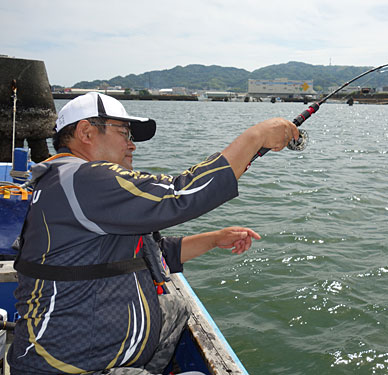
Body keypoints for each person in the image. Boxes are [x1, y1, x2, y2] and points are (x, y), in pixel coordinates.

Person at [8, 92, 298, 375]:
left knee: (175, 306)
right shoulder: (85, 180)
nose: (132, 145)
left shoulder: (70, 183)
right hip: (66, 366)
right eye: (124, 133)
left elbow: (151, 256)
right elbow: (181, 192)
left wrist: (213, 239)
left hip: (95, 352)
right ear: (86, 132)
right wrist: (256, 137)